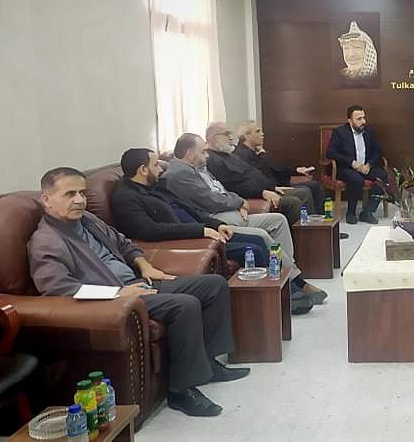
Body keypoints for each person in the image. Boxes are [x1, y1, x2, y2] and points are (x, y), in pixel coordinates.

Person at [28, 167, 249, 417]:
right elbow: (57, 288)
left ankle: (208, 362)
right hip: (115, 302)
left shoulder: (87, 220)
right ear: (47, 199)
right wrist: (118, 294)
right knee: (184, 305)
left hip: (138, 283)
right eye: (70, 194)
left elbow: (123, 242)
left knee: (214, 285)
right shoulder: (46, 241)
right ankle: (181, 391)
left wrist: (144, 265)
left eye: (82, 193)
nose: (79, 200)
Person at [110, 148, 317, 314]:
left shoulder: (156, 187)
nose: (160, 169)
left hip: (203, 231)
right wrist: (201, 230)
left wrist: (215, 224)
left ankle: (288, 289)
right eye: (155, 165)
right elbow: (149, 230)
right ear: (142, 169)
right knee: (253, 247)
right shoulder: (125, 197)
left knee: (259, 241)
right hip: (189, 240)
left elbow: (191, 210)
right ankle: (287, 297)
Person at [163, 133, 327, 305]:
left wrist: (238, 201)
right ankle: (294, 282)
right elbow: (212, 201)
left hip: (230, 211)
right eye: (203, 151)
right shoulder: (180, 174)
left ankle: (288, 274)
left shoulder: (196, 168)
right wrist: (240, 201)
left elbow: (223, 190)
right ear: (190, 154)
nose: (207, 155)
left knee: (278, 221)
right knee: (261, 235)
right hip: (217, 217)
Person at [325, 105, 388, 224]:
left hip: (365, 167)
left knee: (383, 175)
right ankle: (351, 212)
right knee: (356, 179)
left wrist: (369, 165)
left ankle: (368, 212)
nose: (363, 121)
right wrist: (352, 163)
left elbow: (377, 151)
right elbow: (331, 152)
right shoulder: (340, 132)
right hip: (347, 168)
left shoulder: (369, 131)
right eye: (359, 119)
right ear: (350, 121)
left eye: (364, 118)